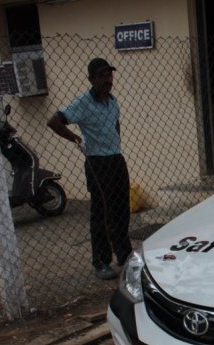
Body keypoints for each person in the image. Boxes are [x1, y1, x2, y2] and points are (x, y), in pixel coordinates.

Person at [47, 57, 132, 280]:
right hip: (97, 163)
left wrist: (115, 142)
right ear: (91, 79)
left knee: (122, 209)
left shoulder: (112, 101)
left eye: (109, 75)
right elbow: (54, 121)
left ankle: (124, 254)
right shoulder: (83, 102)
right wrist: (76, 139)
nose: (107, 80)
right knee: (101, 213)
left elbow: (116, 123)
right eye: (102, 76)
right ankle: (101, 262)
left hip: (116, 159)